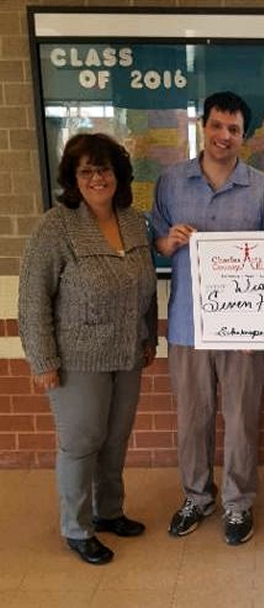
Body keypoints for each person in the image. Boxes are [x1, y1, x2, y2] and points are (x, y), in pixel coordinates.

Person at [151, 91, 264, 546]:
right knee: (192, 418)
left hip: (245, 332)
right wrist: (169, 243)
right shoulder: (171, 182)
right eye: (216, 126)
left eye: (233, 129)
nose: (223, 136)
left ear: (244, 136)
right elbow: (156, 244)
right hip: (189, 325)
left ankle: (238, 504)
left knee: (241, 417)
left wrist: (263, 328)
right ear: (203, 127)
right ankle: (196, 497)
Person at [18, 133, 158, 565]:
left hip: (128, 354)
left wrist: (149, 337)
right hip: (77, 358)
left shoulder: (134, 221)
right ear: (73, 178)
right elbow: (32, 299)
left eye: (105, 169)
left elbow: (145, 289)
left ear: (118, 174)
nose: (98, 178)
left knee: (114, 440)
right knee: (81, 442)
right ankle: (76, 528)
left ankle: (109, 512)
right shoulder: (55, 227)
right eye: (87, 171)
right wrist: (43, 361)